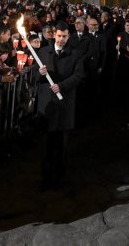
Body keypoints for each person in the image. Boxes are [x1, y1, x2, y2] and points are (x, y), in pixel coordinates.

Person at [35, 21, 85, 189]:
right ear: (54, 34)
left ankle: (59, 177)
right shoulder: (43, 52)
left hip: (64, 105)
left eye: (64, 36)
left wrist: (62, 86)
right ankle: (45, 176)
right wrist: (39, 73)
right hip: (46, 105)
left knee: (61, 143)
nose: (61, 39)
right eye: (59, 36)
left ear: (68, 36)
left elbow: (78, 75)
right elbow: (34, 74)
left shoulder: (75, 54)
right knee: (46, 143)